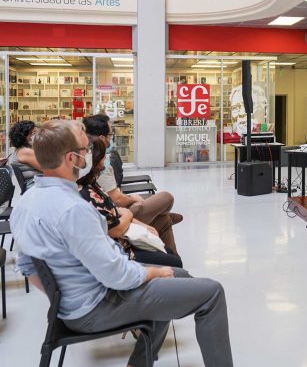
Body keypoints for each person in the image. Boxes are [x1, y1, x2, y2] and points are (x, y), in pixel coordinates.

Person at [11, 120, 233, 367]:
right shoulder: (73, 209)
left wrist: (61, 297)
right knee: (212, 293)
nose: (90, 155)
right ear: (72, 158)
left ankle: (139, 362)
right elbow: (117, 276)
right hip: (97, 306)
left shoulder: (26, 203)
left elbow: (28, 268)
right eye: (85, 150)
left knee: (179, 276)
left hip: (73, 304)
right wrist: (154, 272)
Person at [83, 114, 182, 255]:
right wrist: (132, 200)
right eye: (110, 134)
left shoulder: (92, 167)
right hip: (119, 217)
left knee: (164, 220)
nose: (112, 138)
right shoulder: (97, 167)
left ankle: (173, 261)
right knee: (166, 197)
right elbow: (116, 199)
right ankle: (162, 215)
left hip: (116, 212)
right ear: (102, 138)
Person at [7, 120, 42, 191]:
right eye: (33, 133)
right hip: (35, 187)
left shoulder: (19, 150)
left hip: (36, 185)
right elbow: (47, 169)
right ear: (23, 136)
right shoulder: (25, 151)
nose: (35, 135)